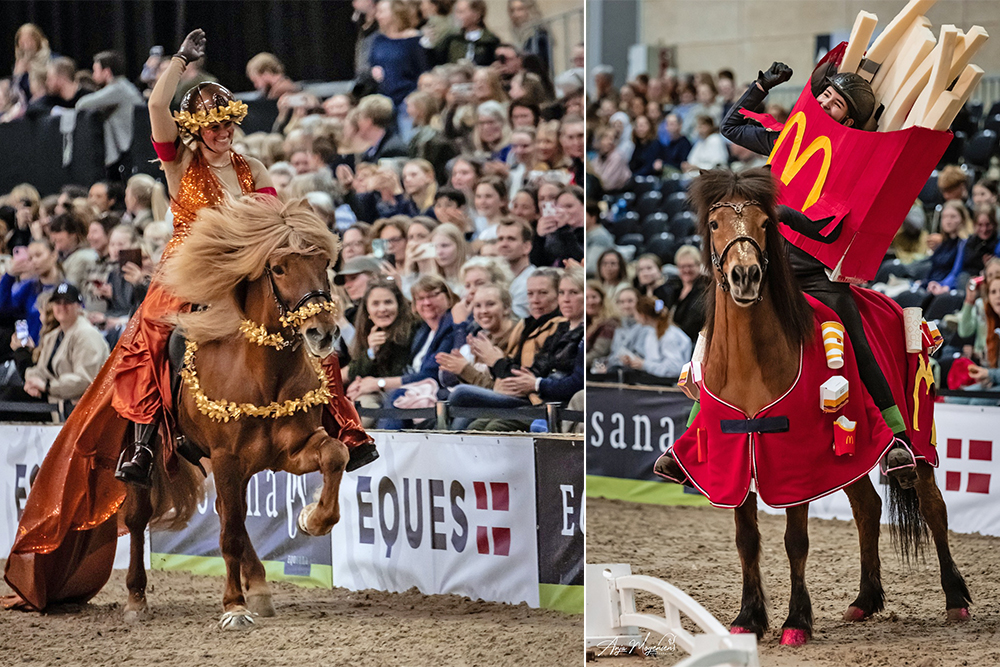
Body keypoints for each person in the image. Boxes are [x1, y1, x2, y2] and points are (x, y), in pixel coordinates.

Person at [720, 60, 918, 483]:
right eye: (824, 96)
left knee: (857, 345)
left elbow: (830, 232)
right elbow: (731, 127)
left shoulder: (856, 158)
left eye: (836, 102)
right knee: (715, 324)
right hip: (770, 271)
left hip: (816, 276)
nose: (826, 103)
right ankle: (690, 437)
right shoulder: (790, 140)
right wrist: (759, 85)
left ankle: (896, 440)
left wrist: (783, 212)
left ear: (849, 117)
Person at [21, 283, 110, 404]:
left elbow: (84, 380)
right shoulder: (53, 336)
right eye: (58, 303)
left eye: (67, 302)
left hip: (83, 408)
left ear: (78, 306)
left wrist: (47, 386)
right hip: (59, 403)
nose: (62, 307)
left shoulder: (87, 334)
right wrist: (31, 381)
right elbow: (40, 370)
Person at [75, 51, 144, 181]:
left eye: (96, 71)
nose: (93, 75)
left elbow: (82, 104)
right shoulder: (123, 86)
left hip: (128, 148)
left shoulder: (119, 88)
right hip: (126, 146)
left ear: (106, 72)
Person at [923, 200, 972, 295]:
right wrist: (923, 283)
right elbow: (933, 266)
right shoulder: (943, 243)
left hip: (944, 287)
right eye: (945, 217)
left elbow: (956, 271)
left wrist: (942, 285)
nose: (948, 221)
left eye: (953, 217)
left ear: (962, 219)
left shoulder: (963, 243)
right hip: (931, 284)